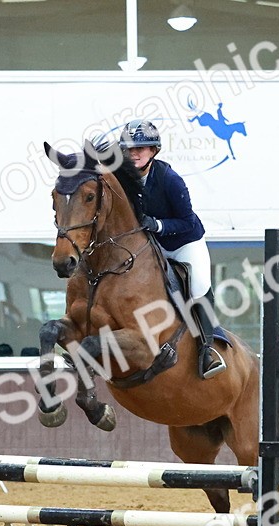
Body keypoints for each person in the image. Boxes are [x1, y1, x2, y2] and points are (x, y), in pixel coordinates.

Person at [120, 120, 225, 379]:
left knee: (199, 285)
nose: (134, 153)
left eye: (141, 148)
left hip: (183, 244)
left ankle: (207, 349)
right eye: (130, 149)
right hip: (150, 247)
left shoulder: (170, 180)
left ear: (154, 150)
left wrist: (157, 225)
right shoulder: (122, 178)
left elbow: (188, 221)